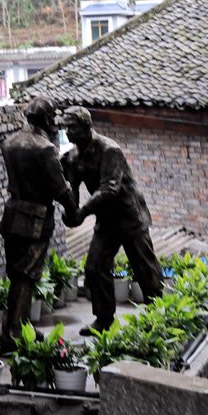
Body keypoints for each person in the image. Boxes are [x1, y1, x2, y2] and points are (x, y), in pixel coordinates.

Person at [60, 106, 163, 335]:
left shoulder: (109, 150)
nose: (68, 132)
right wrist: (71, 213)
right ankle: (104, 319)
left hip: (129, 216)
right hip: (106, 219)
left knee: (145, 268)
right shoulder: (72, 157)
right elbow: (72, 189)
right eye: (66, 127)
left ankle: (160, 317)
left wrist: (83, 212)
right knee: (94, 267)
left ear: (87, 127)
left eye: (73, 127)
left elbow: (110, 189)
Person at [0, 96, 80, 354]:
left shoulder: (9, 142)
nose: (54, 123)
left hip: (12, 213)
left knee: (16, 275)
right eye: (52, 118)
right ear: (46, 119)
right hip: (35, 218)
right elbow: (60, 188)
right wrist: (73, 210)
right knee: (27, 276)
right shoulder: (44, 148)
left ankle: (19, 326)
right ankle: (13, 335)